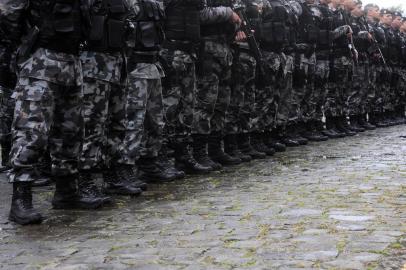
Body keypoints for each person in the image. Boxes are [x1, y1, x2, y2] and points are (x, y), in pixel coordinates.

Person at [2, 0, 104, 225]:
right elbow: (7, 16)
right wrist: (20, 47)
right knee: (32, 131)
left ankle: (67, 192)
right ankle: (21, 199)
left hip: (72, 62)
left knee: (71, 131)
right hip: (40, 62)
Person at [78, 0, 144, 201]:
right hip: (93, 61)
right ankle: (85, 180)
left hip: (117, 61)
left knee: (117, 123)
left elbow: (134, 11)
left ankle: (112, 175)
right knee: (92, 124)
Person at [159, 0, 213, 174]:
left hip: (189, 52)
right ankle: (165, 157)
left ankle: (182, 155)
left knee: (187, 107)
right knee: (169, 108)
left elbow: (202, 12)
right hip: (171, 52)